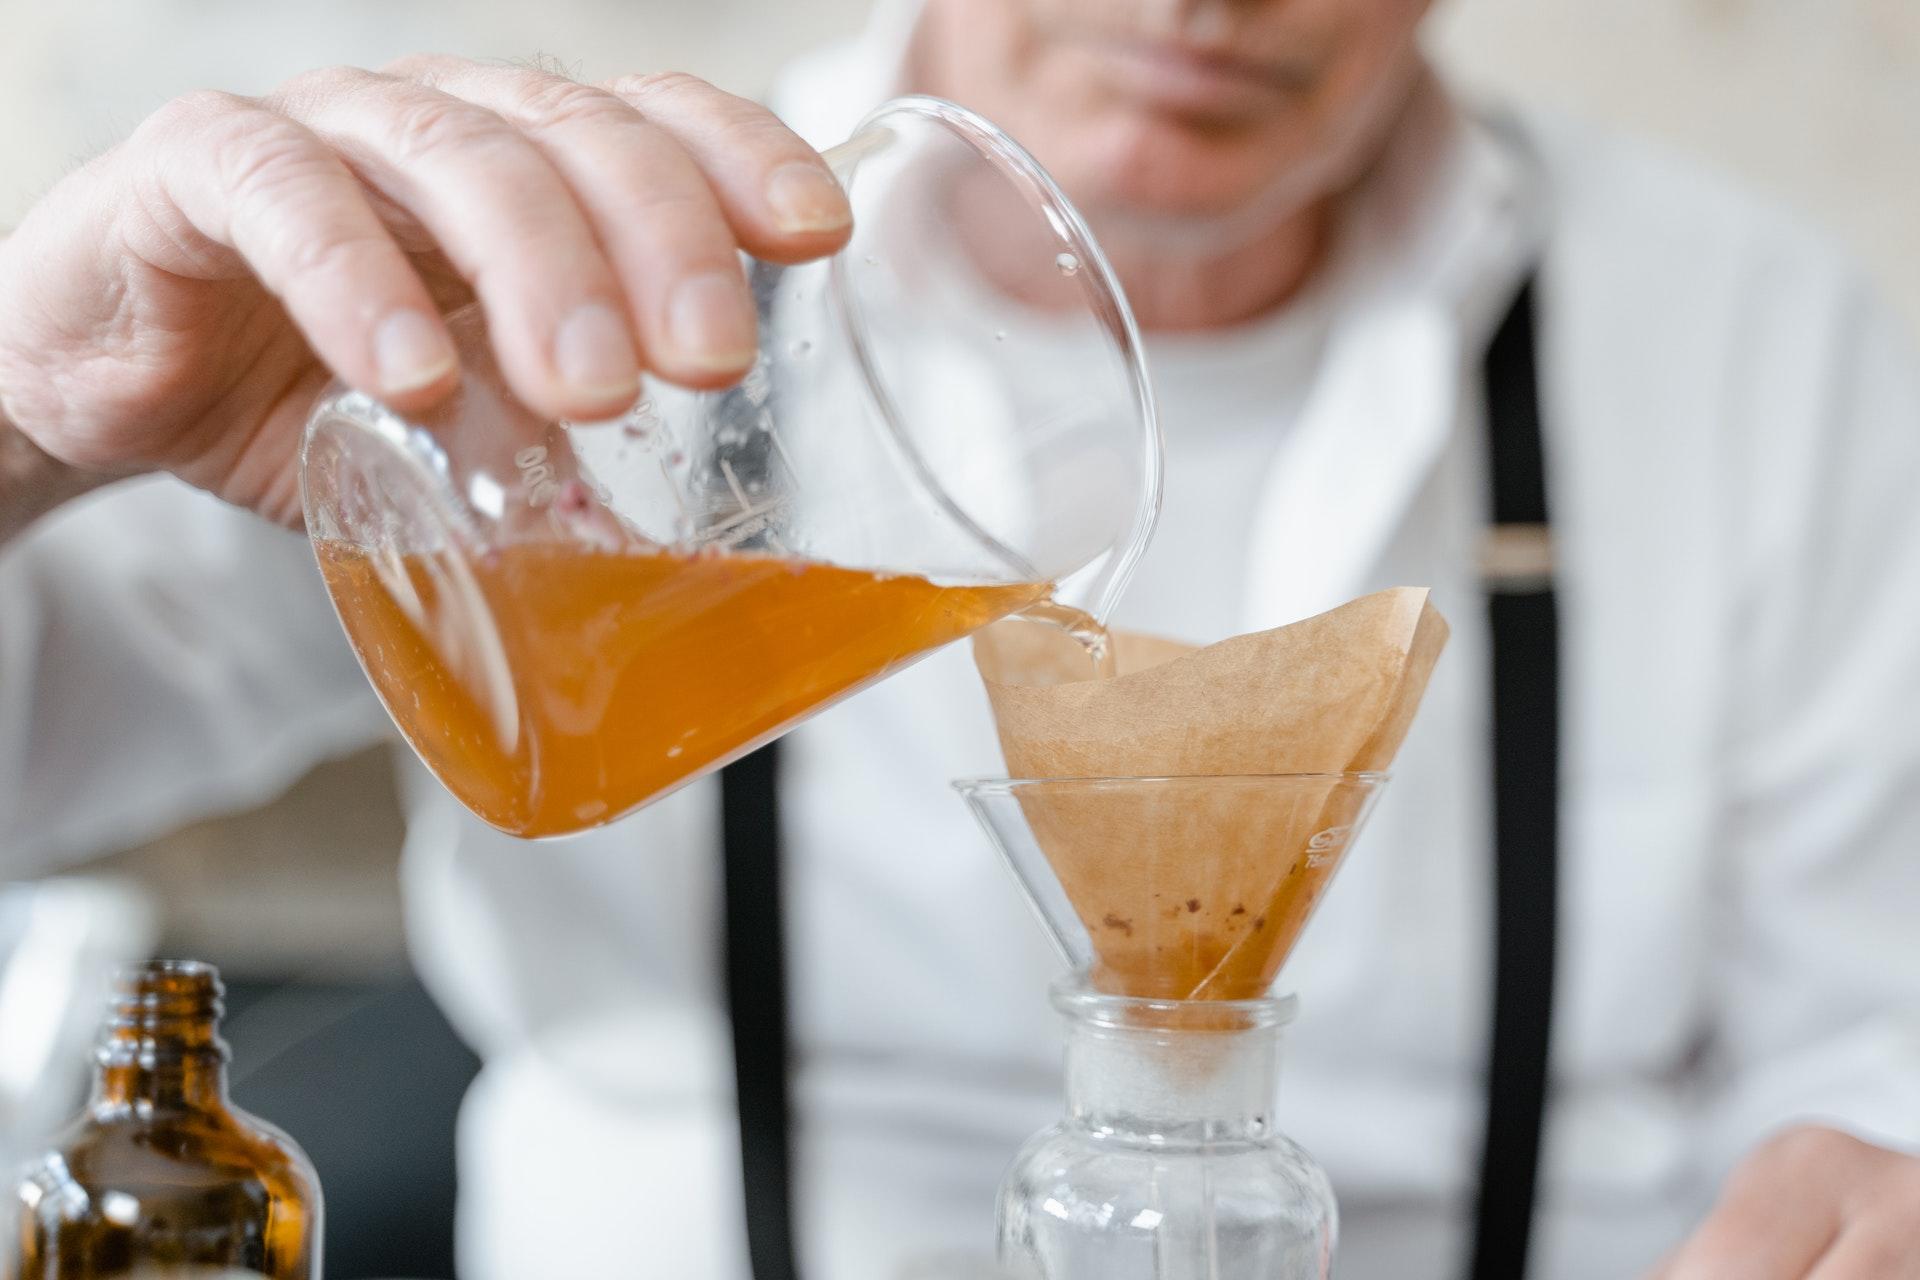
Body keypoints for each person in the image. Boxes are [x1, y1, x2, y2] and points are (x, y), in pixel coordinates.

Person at [4, 0, 1920, 1276]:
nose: (1199, 4)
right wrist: (27, 408)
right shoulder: (534, 267)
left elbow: (1877, 1039)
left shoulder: (1754, 336)